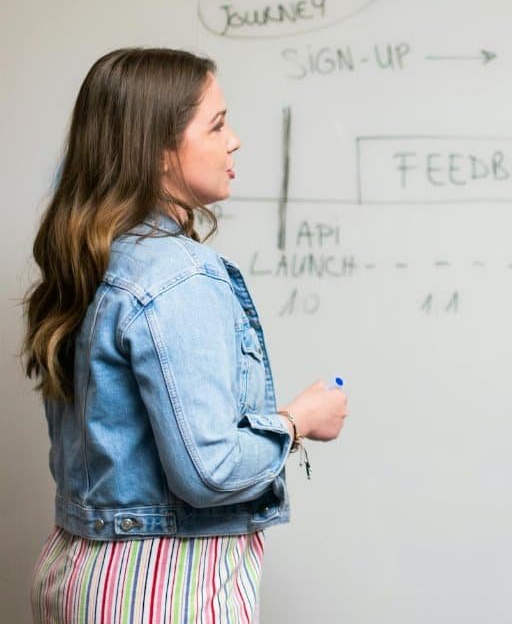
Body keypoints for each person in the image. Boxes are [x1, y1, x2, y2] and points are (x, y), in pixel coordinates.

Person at [22, 48, 349, 622]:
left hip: (75, 573)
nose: (235, 140)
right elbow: (209, 471)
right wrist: (299, 420)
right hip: (158, 590)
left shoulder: (92, 260)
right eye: (217, 124)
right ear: (158, 150)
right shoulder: (177, 274)